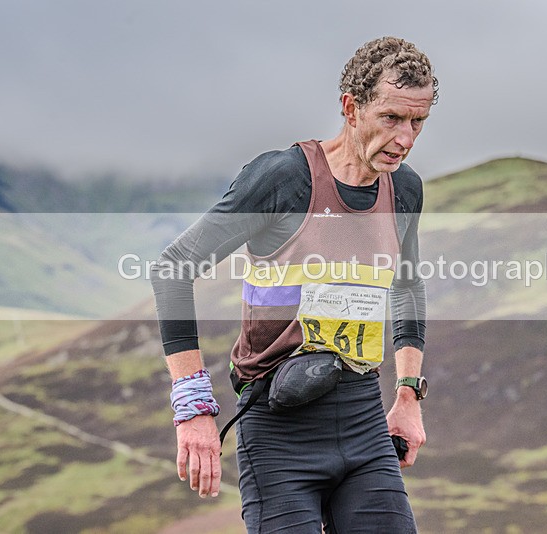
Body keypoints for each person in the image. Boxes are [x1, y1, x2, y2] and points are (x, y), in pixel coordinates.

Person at [151, 36, 437, 533]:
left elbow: (407, 287)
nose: (406, 138)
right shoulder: (283, 178)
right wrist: (192, 405)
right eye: (392, 118)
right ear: (351, 107)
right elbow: (173, 267)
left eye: (418, 122)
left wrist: (408, 396)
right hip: (278, 427)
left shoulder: (405, 188)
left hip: (364, 421)